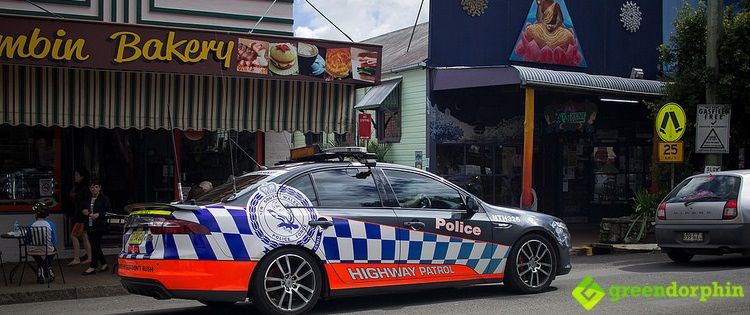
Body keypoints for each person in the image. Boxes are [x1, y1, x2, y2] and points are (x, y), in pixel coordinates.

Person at [82, 180, 111, 275]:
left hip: (99, 225)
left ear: (100, 188)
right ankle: (104, 263)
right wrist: (85, 211)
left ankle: (93, 266)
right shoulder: (88, 198)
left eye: (96, 187)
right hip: (90, 224)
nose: (94, 189)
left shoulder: (104, 199)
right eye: (92, 187)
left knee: (94, 245)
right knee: (96, 245)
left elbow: (108, 212)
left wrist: (99, 214)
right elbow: (83, 208)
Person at [28, 202, 57, 283]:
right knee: (54, 249)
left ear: (36, 214)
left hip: (34, 249)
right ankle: (48, 268)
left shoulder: (31, 224)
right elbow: (54, 240)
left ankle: (41, 268)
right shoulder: (50, 224)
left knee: (34, 252)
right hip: (47, 249)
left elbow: (28, 240)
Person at [68, 168, 92, 266]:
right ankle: (90, 257)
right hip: (81, 214)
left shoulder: (83, 188)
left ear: (82, 176)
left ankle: (77, 258)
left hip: (80, 216)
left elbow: (83, 201)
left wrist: (83, 209)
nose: (75, 177)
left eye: (77, 175)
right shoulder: (80, 187)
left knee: (73, 235)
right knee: (84, 235)